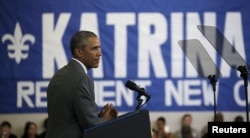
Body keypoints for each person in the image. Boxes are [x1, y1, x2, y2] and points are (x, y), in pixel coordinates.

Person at [46, 30, 118, 138]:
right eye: (94, 48)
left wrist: (98, 117)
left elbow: (69, 118)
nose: (100, 53)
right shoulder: (83, 79)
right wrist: (106, 119)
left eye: (99, 48)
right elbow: (91, 126)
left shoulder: (58, 75)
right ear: (79, 52)